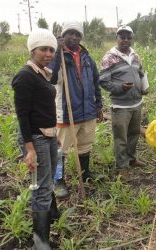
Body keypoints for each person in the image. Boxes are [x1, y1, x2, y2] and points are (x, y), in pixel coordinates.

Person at [12, 28, 59, 250]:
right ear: (33, 50)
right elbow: (22, 115)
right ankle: (40, 240)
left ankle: (51, 213)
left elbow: (46, 107)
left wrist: (55, 134)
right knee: (41, 185)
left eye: (51, 49)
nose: (48, 54)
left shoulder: (43, 72)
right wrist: (29, 149)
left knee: (48, 179)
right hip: (35, 138)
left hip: (48, 134)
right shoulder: (25, 76)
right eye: (43, 49)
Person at [49, 21, 103, 198]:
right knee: (60, 150)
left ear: (81, 37)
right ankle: (58, 181)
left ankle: (85, 173)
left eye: (77, 34)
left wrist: (98, 106)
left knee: (85, 144)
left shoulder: (87, 57)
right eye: (69, 33)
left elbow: (96, 82)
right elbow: (51, 78)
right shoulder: (57, 56)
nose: (73, 37)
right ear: (63, 36)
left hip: (87, 110)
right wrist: (57, 52)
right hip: (67, 110)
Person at [99, 25, 149, 180]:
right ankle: (122, 167)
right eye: (122, 37)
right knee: (121, 138)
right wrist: (120, 87)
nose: (125, 40)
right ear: (117, 39)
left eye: (128, 37)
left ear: (131, 39)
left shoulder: (135, 56)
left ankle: (132, 159)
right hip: (120, 105)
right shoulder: (109, 57)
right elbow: (103, 81)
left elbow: (141, 73)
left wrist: (144, 87)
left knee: (134, 134)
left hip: (136, 103)